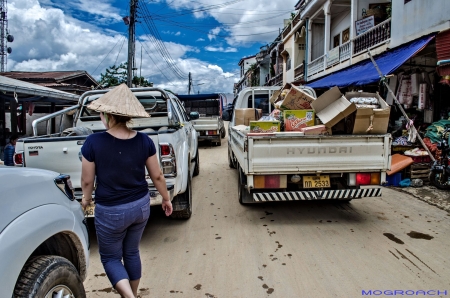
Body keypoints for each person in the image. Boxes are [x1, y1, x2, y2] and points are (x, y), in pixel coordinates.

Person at [81, 84, 173, 298]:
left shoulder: (93, 142)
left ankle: (129, 297)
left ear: (105, 115)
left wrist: (86, 201)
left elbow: (87, 181)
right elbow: (157, 176)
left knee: (111, 258)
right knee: (131, 251)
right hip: (140, 207)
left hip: (111, 211)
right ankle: (132, 293)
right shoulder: (144, 140)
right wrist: (166, 199)